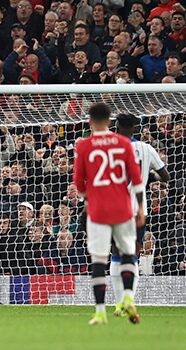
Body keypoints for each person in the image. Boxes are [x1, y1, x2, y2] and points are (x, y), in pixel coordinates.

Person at [73, 103, 144, 325]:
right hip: (123, 208)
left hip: (98, 209)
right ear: (110, 121)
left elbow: (78, 182)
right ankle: (129, 299)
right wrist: (140, 208)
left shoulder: (84, 146)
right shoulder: (124, 143)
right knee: (127, 254)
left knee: (99, 259)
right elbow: (137, 179)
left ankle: (100, 311)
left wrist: (88, 197)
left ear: (90, 122)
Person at [110, 113, 170, 316]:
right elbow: (166, 176)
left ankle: (118, 304)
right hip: (138, 209)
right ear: (135, 128)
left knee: (116, 254)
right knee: (133, 254)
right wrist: (150, 175)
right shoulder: (146, 149)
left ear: (116, 127)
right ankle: (129, 300)